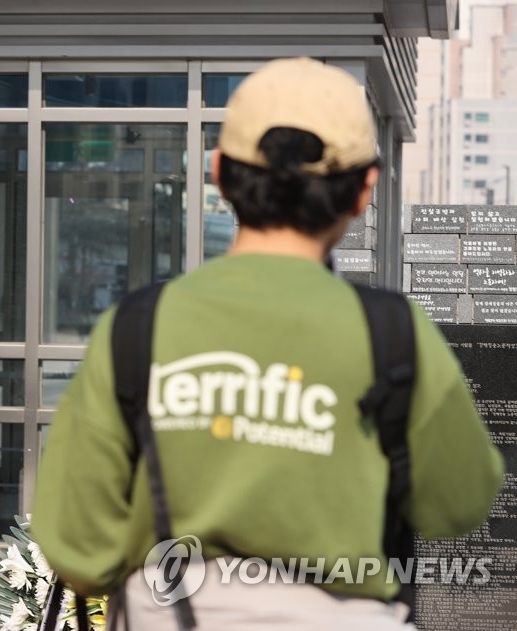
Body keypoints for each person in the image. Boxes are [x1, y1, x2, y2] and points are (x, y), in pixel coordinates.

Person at [32, 58, 504, 629]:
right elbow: (460, 500)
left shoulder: (139, 327)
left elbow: (76, 542)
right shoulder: (394, 335)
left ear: (221, 173)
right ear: (363, 190)